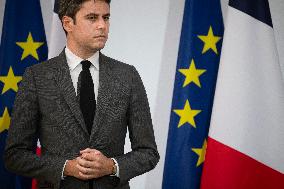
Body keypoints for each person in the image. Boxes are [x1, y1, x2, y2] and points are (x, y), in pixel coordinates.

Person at [4, 0, 159, 188]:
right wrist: (65, 167)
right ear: (68, 23)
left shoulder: (128, 76)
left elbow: (148, 153)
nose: (102, 25)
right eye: (92, 18)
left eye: (106, 17)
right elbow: (15, 155)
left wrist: (112, 166)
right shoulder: (37, 77)